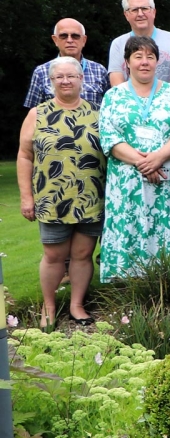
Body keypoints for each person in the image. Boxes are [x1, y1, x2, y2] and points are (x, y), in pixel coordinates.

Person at [18, 57, 105, 327]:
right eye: (59, 77)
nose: (65, 81)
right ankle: (49, 306)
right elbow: (24, 156)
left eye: (71, 76)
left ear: (82, 80)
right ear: (51, 81)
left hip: (90, 197)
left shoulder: (99, 112)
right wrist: (26, 197)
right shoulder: (37, 113)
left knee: (82, 255)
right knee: (54, 256)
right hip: (52, 198)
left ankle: (77, 306)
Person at [98, 36, 170, 281]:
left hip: (168, 184)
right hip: (128, 187)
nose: (144, 62)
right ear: (127, 62)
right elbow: (109, 138)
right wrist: (144, 163)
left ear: (157, 61)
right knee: (131, 237)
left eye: (150, 57)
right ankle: (131, 304)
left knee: (168, 241)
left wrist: (159, 157)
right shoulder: (113, 96)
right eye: (138, 56)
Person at [107, 0, 170, 87]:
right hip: (130, 101)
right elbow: (117, 84)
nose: (140, 14)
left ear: (153, 12)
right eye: (135, 10)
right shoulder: (118, 44)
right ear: (126, 15)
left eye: (145, 9)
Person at [26, 18, 110, 109]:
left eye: (75, 36)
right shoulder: (41, 72)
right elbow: (33, 113)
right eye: (63, 36)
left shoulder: (99, 71)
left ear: (84, 40)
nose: (70, 40)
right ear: (55, 40)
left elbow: (110, 108)